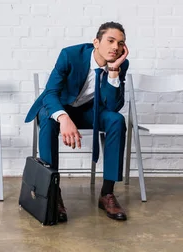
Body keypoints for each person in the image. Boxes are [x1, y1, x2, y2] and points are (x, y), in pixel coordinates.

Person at [24, 22, 130, 222]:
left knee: (116, 119)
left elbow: (113, 106)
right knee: (48, 120)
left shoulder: (120, 64)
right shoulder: (70, 55)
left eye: (121, 43)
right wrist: (64, 118)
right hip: (59, 107)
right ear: (96, 42)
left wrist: (114, 71)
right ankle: (53, 191)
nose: (116, 47)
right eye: (110, 40)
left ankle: (107, 193)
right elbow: (50, 93)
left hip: (89, 111)